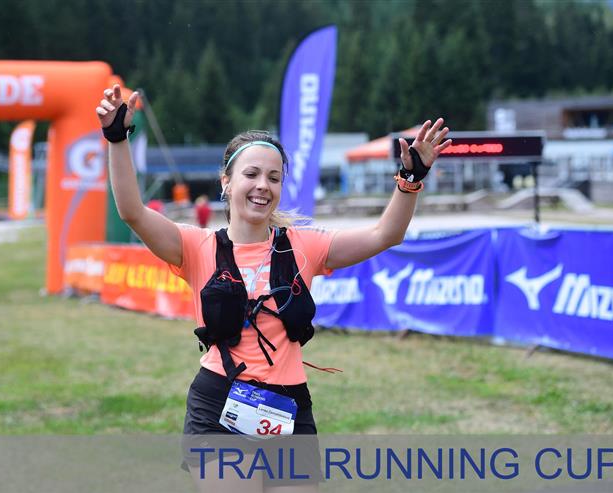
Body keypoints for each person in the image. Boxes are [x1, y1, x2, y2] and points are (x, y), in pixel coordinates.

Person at [97, 84, 451, 492]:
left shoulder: (304, 246)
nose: (262, 185)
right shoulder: (195, 247)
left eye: (274, 177)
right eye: (251, 174)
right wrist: (117, 138)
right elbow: (132, 212)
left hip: (288, 408)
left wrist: (411, 178)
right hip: (219, 406)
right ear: (226, 182)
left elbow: (384, 235)